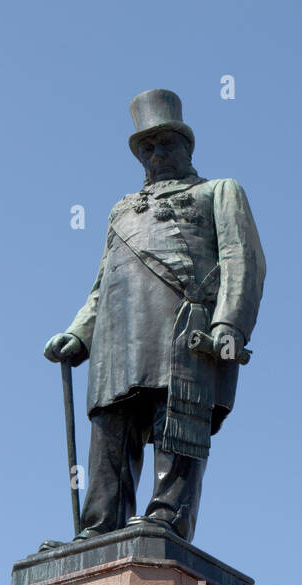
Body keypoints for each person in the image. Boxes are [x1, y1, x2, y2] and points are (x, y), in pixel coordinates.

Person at [44, 89, 265, 543]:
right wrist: (79, 333)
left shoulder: (218, 191)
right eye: (147, 147)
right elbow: (101, 286)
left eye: (166, 143)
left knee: (177, 424)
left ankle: (168, 517)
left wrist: (229, 323)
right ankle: (99, 526)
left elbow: (243, 259)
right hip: (117, 338)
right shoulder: (121, 210)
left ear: (187, 147)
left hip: (183, 330)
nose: (157, 154)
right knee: (111, 427)